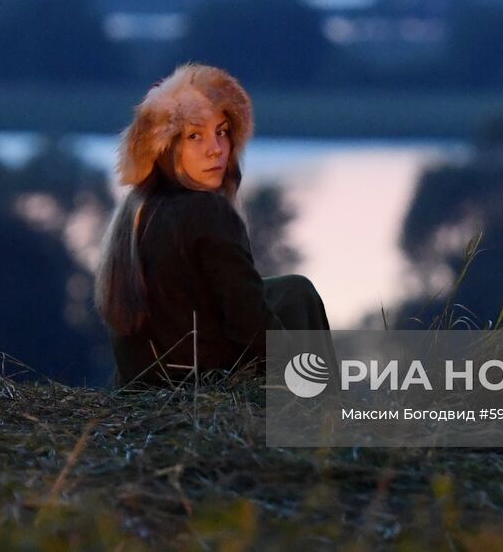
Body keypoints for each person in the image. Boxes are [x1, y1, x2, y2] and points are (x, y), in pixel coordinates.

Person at [94, 62, 334, 388]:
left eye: (221, 132)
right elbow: (251, 329)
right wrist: (302, 371)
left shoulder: (137, 205)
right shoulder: (205, 210)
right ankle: (321, 413)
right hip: (197, 381)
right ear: (167, 145)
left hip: (146, 381)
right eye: (195, 135)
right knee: (298, 296)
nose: (216, 149)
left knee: (287, 289)